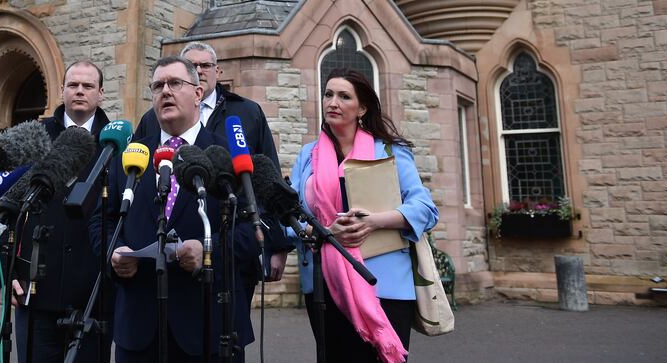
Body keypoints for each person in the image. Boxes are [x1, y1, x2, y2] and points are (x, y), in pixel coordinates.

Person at [98, 56, 259, 363]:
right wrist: (115, 252)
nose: (165, 92)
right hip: (138, 326)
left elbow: (255, 231)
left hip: (208, 324)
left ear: (198, 93)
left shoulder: (229, 155)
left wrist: (207, 251)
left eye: (175, 83)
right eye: (158, 86)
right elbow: (102, 221)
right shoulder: (131, 155)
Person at [290, 68, 438, 363]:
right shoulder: (308, 154)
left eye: (344, 96)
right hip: (324, 284)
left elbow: (425, 208)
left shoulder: (388, 150)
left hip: (384, 283)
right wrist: (325, 231)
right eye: (329, 94)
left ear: (363, 107)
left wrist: (373, 222)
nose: (333, 102)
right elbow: (289, 218)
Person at [135, 42, 291, 289]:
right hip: (153, 272)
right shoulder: (151, 120)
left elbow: (265, 182)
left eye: (204, 65)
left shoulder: (246, 112)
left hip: (222, 265)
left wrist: (276, 242)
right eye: (193, 66)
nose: (199, 70)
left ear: (216, 72)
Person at [10, 60, 111, 363]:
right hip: (37, 291)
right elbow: (10, 207)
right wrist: (8, 271)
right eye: (73, 85)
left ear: (101, 93)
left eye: (88, 86)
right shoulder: (35, 136)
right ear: (61, 90)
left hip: (94, 295)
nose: (80, 91)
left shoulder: (117, 142)